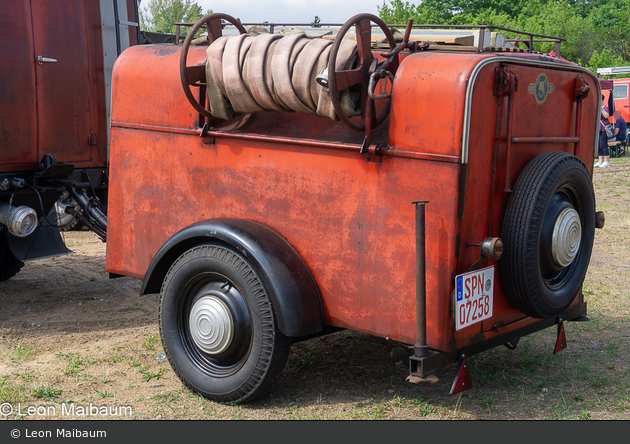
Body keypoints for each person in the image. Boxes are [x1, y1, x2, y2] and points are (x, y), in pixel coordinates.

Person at [596, 94, 610, 168]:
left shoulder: (605, 108)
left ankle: (607, 162)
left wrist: (601, 109)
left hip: (603, 129)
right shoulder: (596, 107)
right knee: (598, 146)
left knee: (603, 145)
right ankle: (600, 161)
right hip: (598, 129)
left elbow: (606, 116)